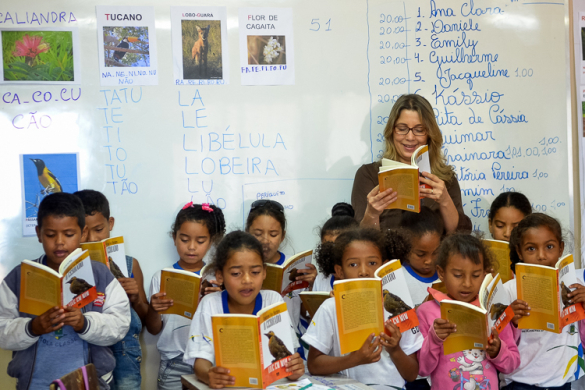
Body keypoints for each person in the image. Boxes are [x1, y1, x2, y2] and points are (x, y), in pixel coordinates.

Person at [0, 192, 130, 390]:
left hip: (90, 384)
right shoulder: (19, 277)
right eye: (50, 235)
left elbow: (120, 325)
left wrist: (84, 323)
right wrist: (32, 328)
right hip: (35, 384)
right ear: (38, 233)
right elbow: (2, 330)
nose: (59, 242)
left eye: (69, 234)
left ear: (83, 233)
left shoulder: (101, 274)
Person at [303, 228, 421, 390]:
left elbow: (412, 374)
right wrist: (354, 359)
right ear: (340, 271)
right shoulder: (330, 307)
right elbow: (314, 365)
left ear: (384, 267)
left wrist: (395, 350)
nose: (364, 271)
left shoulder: (401, 309)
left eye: (372, 263)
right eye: (353, 264)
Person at [184, 231, 305, 388]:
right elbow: (200, 361)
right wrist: (209, 376)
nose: (247, 280)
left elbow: (288, 357)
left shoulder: (273, 301)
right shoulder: (210, 305)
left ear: (264, 272)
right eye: (236, 273)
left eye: (255, 272)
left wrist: (294, 369)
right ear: (220, 276)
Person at [351, 94, 471, 233]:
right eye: (402, 129)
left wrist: (445, 201)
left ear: (429, 134)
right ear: (392, 132)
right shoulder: (368, 175)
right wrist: (372, 214)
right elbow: (362, 241)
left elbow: (461, 236)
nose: (410, 137)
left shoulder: (445, 179)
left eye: (419, 130)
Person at [416, 234, 520, 390]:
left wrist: (498, 350)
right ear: (441, 273)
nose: (467, 283)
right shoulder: (427, 311)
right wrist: (434, 338)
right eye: (458, 275)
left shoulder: (493, 309)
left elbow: (512, 363)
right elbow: (423, 369)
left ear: (485, 274)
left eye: (476, 275)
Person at [145, 202, 225, 390]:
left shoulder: (218, 278)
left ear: (211, 241)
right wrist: (153, 309)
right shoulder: (161, 277)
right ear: (174, 238)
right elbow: (154, 329)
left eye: (200, 241)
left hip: (209, 360)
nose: (191, 247)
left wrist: (220, 299)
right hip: (173, 363)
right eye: (184, 239)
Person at [74, 189, 148, 390]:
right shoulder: (69, 271)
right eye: (83, 231)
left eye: (99, 229)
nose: (91, 238)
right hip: (85, 354)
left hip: (124, 354)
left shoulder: (131, 265)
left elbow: (146, 318)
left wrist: (136, 298)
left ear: (111, 223)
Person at [502, 213, 585, 389]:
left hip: (559, 381)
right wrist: (512, 322)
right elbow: (499, 344)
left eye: (549, 246)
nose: (541, 255)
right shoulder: (509, 290)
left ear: (561, 249)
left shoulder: (573, 287)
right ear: (519, 252)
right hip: (521, 381)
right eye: (531, 248)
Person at [245, 199, 316, 358]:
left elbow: (306, 315)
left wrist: (311, 287)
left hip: (289, 344)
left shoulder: (295, 266)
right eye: (257, 234)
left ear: (283, 236)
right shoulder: (240, 268)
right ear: (247, 232)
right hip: (249, 343)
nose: (265, 240)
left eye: (273, 234)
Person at [400, 207, 444, 305]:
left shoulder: (446, 273)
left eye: (435, 252)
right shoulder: (400, 279)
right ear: (405, 248)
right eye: (420, 255)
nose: (429, 261)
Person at [312, 202, 359, 292]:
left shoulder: (365, 277)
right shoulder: (321, 280)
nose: (333, 254)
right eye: (327, 248)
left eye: (339, 247)